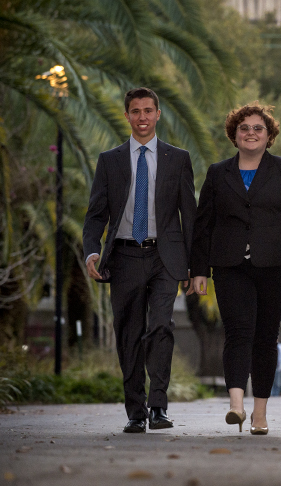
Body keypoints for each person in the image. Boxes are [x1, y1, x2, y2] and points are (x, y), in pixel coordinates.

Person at [189, 102, 281, 435]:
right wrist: (199, 269)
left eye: (258, 128)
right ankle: (236, 405)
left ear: (269, 135)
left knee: (265, 337)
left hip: (274, 264)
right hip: (230, 265)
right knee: (238, 332)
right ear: (234, 135)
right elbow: (203, 224)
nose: (251, 133)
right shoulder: (218, 173)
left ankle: (260, 413)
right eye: (243, 128)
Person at [82, 87, 196, 433]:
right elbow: (96, 214)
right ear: (127, 116)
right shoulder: (110, 160)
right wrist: (91, 250)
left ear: (158, 114)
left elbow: (190, 216)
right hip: (124, 257)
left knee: (161, 326)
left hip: (165, 257)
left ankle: (158, 407)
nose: (142, 117)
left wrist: (196, 266)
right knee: (128, 334)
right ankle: (136, 412)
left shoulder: (178, 158)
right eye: (136, 111)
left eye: (148, 110)